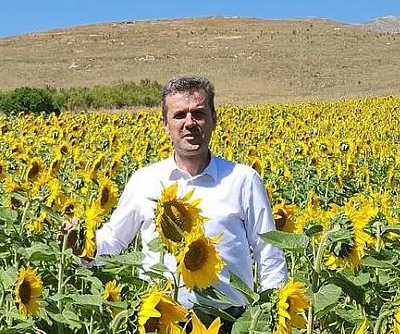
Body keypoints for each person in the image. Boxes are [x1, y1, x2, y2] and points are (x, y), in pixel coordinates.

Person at [67, 76, 288, 316]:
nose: (190, 123)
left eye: (199, 114)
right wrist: (81, 245)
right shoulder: (146, 181)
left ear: (214, 120)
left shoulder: (243, 180)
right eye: (180, 115)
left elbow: (269, 253)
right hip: (162, 321)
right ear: (164, 123)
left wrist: (273, 321)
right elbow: (115, 241)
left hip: (231, 320)